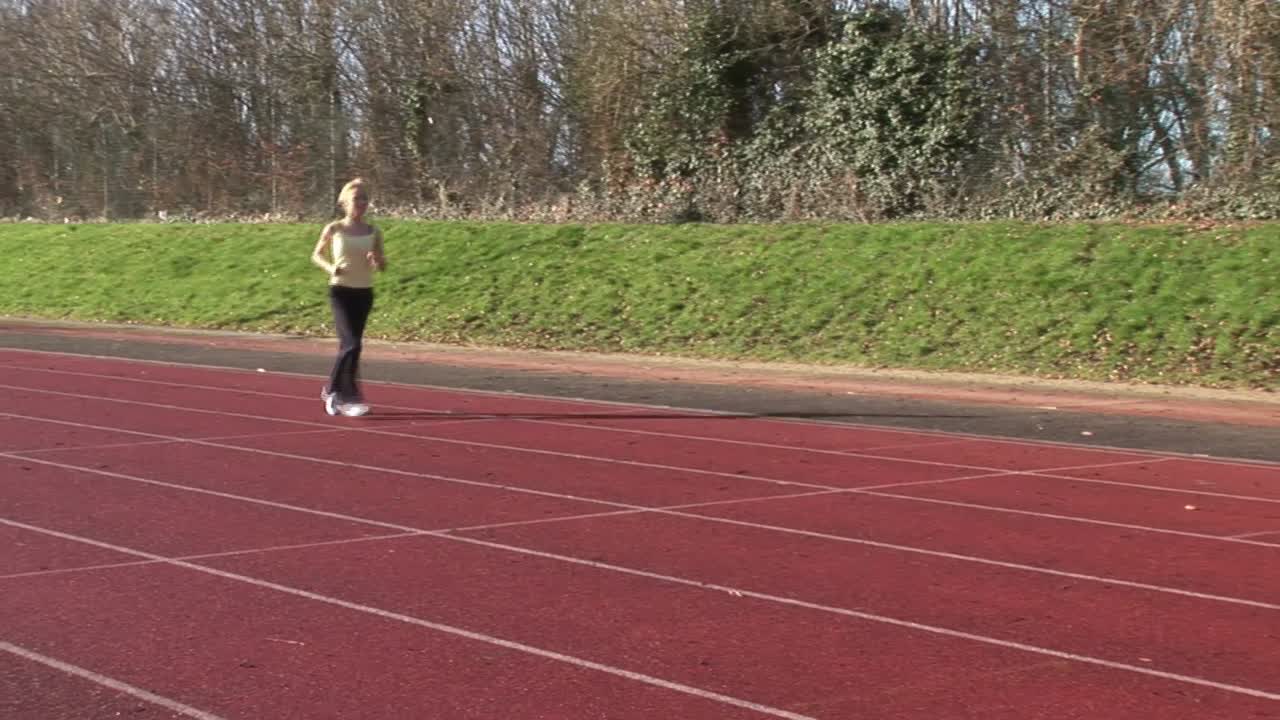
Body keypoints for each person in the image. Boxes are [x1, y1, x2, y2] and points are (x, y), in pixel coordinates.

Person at [311, 178, 386, 416]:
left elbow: (382, 265)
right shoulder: (334, 229)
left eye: (364, 198)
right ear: (344, 202)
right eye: (356, 199)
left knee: (353, 346)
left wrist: (377, 260)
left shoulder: (373, 231)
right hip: (341, 291)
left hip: (364, 292)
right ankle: (343, 395)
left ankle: (335, 392)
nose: (361, 203)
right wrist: (331, 268)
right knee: (351, 343)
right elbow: (316, 255)